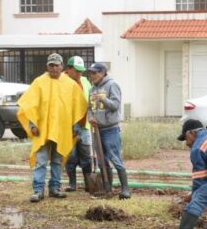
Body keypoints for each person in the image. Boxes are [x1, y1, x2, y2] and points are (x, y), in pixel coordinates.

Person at [17, 53, 88, 202]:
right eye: (51, 65)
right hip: (42, 129)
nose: (54, 68)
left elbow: (79, 106)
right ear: (47, 66)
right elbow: (30, 104)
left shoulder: (70, 84)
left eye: (57, 65)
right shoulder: (39, 82)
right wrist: (32, 124)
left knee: (57, 160)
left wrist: (76, 126)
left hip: (62, 130)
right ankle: (38, 190)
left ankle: (55, 188)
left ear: (62, 67)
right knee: (41, 160)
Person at [87, 62, 130, 199]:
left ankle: (125, 189)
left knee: (115, 158)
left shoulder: (112, 85)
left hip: (111, 129)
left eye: (95, 73)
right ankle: (107, 188)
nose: (92, 75)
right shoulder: (92, 89)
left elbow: (115, 105)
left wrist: (103, 99)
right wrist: (91, 118)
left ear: (102, 72)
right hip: (97, 130)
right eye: (91, 73)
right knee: (101, 161)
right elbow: (89, 108)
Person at [63, 56, 93, 192]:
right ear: (68, 69)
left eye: (81, 71)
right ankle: (72, 184)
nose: (79, 74)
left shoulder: (85, 82)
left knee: (86, 154)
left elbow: (90, 99)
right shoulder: (61, 82)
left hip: (84, 124)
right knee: (71, 156)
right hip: (68, 125)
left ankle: (89, 183)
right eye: (77, 71)